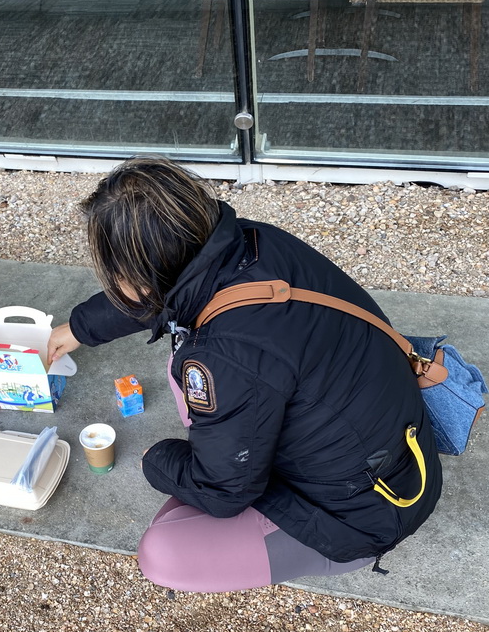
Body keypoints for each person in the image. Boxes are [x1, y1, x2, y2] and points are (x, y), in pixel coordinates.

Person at [47, 158, 443, 593]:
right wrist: (79, 328)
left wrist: (155, 460)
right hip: (394, 455)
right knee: (187, 369)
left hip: (358, 516)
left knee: (164, 549)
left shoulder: (224, 354)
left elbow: (223, 493)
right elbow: (171, 292)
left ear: (140, 277)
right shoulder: (251, 242)